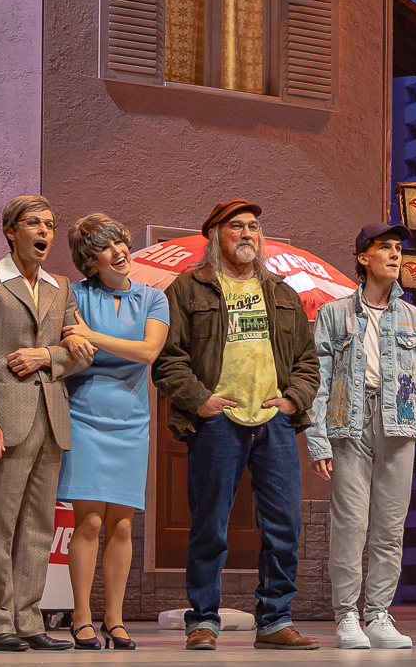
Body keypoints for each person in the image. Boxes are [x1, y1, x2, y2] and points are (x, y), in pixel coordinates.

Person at [150, 200, 320, 651]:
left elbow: (308, 361)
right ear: (215, 235)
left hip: (274, 422)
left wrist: (293, 399)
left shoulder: (281, 292)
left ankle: (275, 619)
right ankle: (203, 620)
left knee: (284, 525)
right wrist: (200, 400)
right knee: (210, 525)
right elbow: (168, 359)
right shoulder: (188, 289)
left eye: (254, 227)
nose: (248, 234)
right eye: (237, 226)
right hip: (217, 422)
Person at [0, 196, 92, 652]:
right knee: (0, 522)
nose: (44, 232)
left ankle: (29, 619)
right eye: (34, 223)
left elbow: (81, 352)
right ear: (11, 231)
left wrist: (46, 355)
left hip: (51, 415)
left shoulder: (61, 287)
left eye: (49, 225)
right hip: (6, 416)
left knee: (38, 524)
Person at [307, 222, 416, 650]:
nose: (395, 254)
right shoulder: (334, 314)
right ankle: (347, 615)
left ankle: (379, 613)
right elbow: (319, 381)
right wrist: (317, 438)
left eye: (398, 247)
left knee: (390, 527)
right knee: (350, 524)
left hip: (399, 425)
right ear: (363, 258)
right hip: (350, 422)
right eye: (385, 247)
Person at [56, 214, 169, 651]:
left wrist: (93, 337)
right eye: (106, 247)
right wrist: (79, 337)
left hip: (132, 420)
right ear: (91, 260)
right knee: (88, 521)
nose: (119, 251)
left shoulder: (153, 298)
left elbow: (148, 351)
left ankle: (115, 620)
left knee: (122, 525)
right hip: (84, 415)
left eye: (121, 242)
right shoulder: (74, 295)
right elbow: (69, 348)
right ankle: (81, 617)